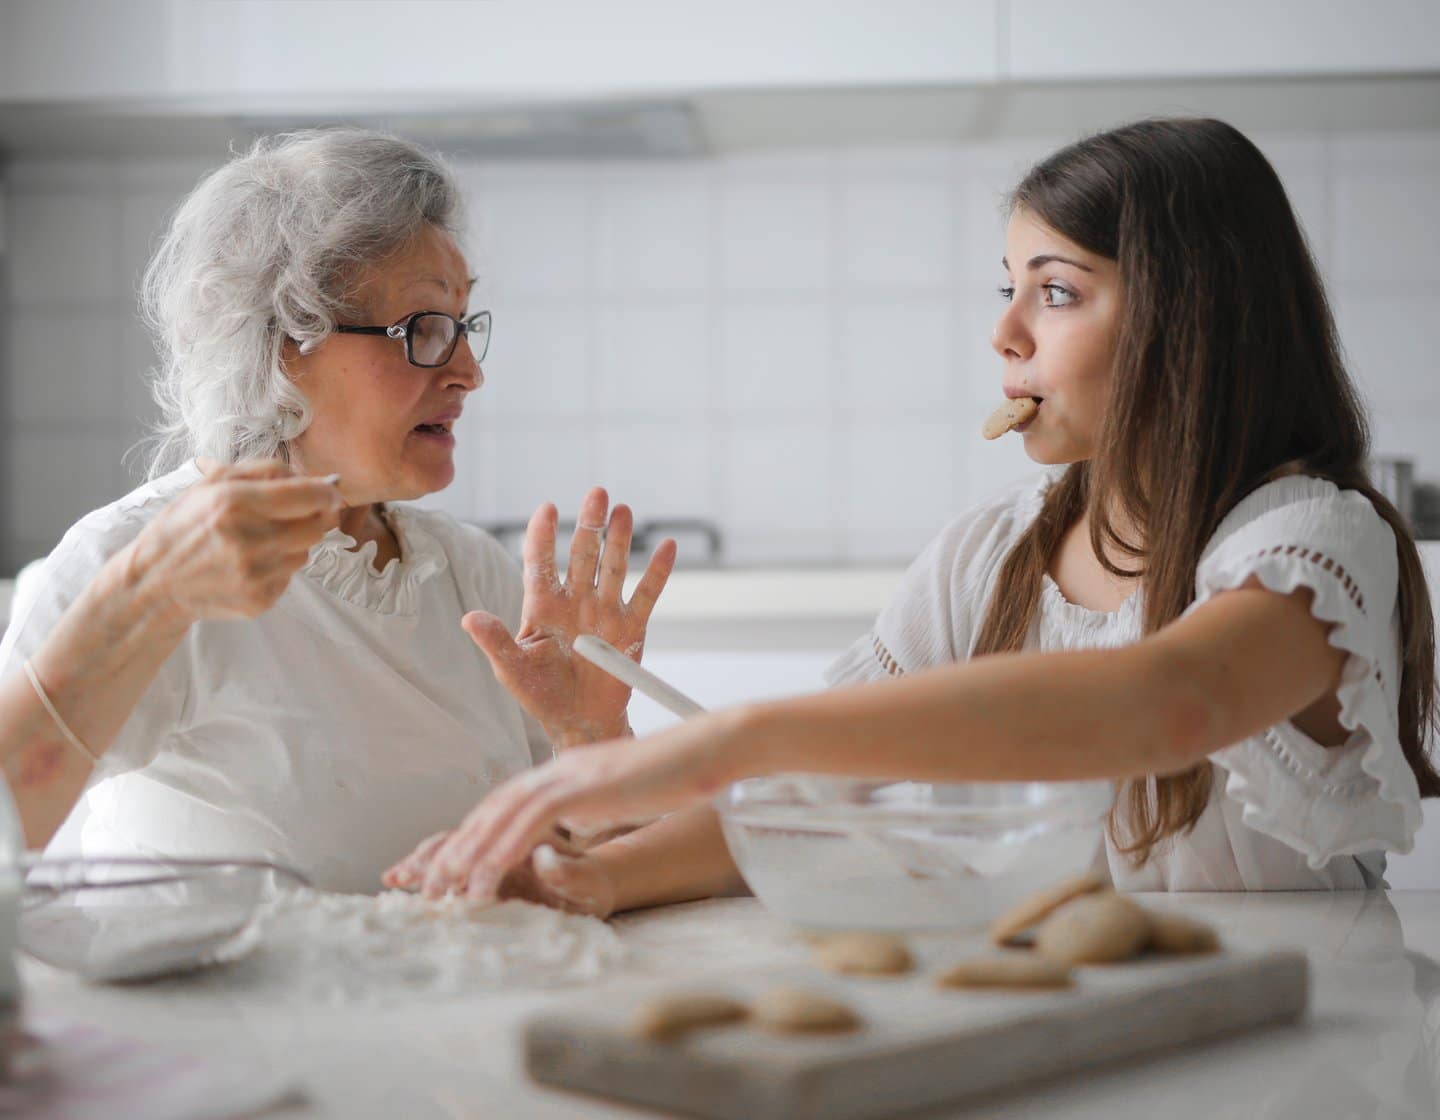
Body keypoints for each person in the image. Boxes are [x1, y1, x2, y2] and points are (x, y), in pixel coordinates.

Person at [390, 117, 1438, 906]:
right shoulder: (989, 554)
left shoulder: (1312, 542)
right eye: (1007, 289)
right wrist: (598, 881)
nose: (1006, 336)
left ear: (1193, 317)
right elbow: (817, 793)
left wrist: (738, 735)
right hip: (1077, 1040)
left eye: (1058, 291)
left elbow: (1170, 701)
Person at [0, 129, 674, 893]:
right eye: (423, 329)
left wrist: (592, 739)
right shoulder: (131, 557)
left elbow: (590, 877)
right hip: (222, 1012)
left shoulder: (473, 575)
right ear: (284, 343)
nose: (469, 371)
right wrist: (144, 599)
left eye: (463, 325)